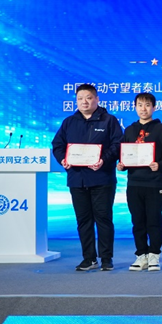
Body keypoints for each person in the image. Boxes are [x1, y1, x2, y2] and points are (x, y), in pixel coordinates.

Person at [52, 83, 123, 271]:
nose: (84, 102)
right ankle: (89, 258)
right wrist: (63, 160)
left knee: (103, 219)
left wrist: (103, 160)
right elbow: (57, 145)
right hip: (77, 179)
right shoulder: (69, 122)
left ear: (97, 99)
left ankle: (106, 258)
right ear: (76, 101)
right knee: (83, 221)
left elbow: (118, 145)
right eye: (80, 99)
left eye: (89, 98)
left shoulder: (109, 121)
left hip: (102, 178)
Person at [116, 92, 162, 272]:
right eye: (140, 105)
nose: (143, 109)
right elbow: (123, 153)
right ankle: (141, 255)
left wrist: (160, 165)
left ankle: (154, 255)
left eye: (147, 105)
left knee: (154, 220)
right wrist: (121, 165)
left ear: (154, 108)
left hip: (154, 183)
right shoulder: (129, 130)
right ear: (135, 107)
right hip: (134, 183)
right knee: (138, 221)